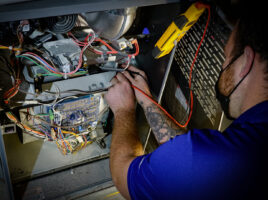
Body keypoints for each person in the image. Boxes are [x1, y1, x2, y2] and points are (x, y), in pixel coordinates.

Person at [105, 2, 268, 200]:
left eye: (226, 57)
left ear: (245, 61)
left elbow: (123, 176)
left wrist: (123, 109)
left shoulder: (228, 159)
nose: (224, 65)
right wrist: (146, 100)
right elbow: (186, 154)